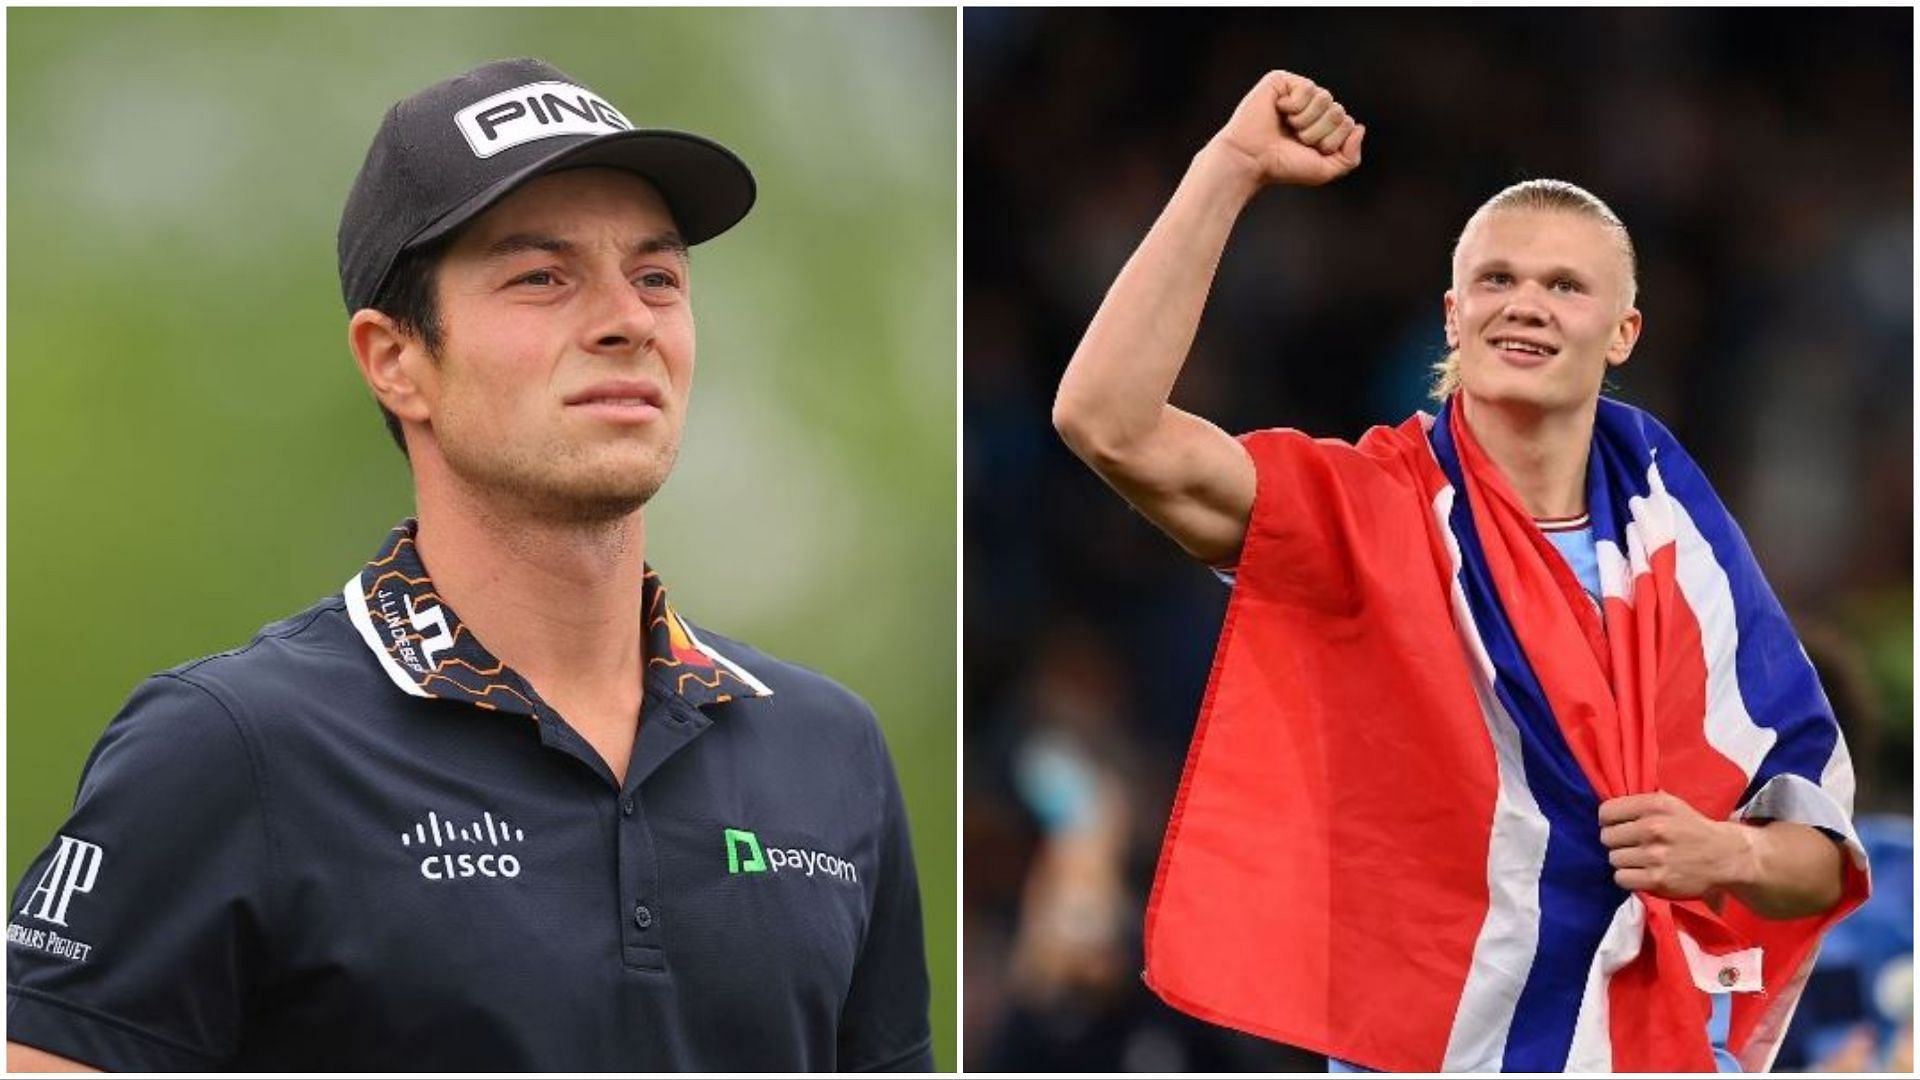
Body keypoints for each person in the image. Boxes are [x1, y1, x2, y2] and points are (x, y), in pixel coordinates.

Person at [6, 57, 932, 1072]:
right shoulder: (229, 749)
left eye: (657, 276)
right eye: (543, 277)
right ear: (396, 360)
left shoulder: (830, 752)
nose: (629, 320)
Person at [1053, 69, 1868, 1072]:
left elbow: (1822, 858)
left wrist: (1725, 853)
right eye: (1497, 280)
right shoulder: (1363, 513)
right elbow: (1108, 424)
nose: (1525, 305)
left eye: (1565, 286)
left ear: (1623, 333)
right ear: (1452, 315)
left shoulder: (1683, 547)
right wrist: (1227, 170)